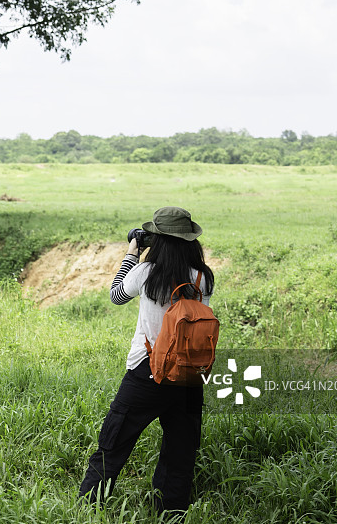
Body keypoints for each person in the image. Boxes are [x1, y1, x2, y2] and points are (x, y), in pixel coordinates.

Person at [78, 206, 214, 515]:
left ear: (158, 240)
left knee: (113, 443)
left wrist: (132, 253)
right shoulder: (203, 277)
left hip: (147, 371)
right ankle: (171, 513)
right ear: (190, 240)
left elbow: (116, 295)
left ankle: (89, 508)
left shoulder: (147, 273)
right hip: (189, 374)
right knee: (180, 451)